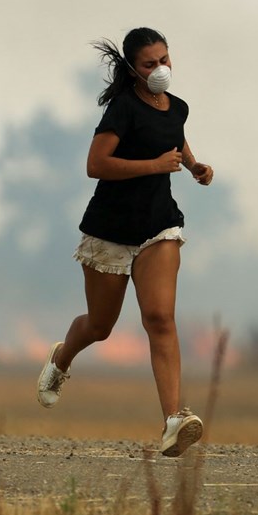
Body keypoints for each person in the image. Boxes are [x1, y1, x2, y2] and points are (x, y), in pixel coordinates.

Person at [36, 27, 215, 457]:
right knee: (101, 325)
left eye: (165, 60)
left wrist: (194, 165)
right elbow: (95, 164)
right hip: (110, 230)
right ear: (134, 68)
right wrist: (154, 165)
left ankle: (173, 420)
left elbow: (176, 136)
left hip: (158, 226)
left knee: (159, 318)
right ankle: (62, 358)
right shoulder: (122, 108)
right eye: (150, 64)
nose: (161, 70)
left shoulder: (178, 107)